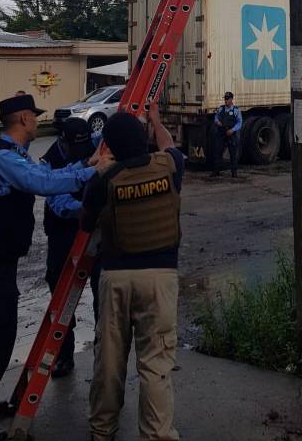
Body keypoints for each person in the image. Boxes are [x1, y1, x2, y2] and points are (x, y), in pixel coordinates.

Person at [0, 93, 104, 441]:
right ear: (22, 119)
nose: (37, 122)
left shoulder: (15, 155)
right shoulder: (4, 159)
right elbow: (43, 184)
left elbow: (44, 172)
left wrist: (87, 165)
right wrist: (91, 173)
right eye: (33, 117)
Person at [82, 104, 185, 441]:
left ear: (109, 146)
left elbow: (85, 224)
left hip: (116, 279)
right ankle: (156, 436)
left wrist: (97, 167)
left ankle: (102, 432)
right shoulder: (169, 166)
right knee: (155, 366)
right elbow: (168, 144)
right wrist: (155, 121)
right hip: (160, 278)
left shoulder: (104, 180)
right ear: (144, 139)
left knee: (109, 363)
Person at [40, 116, 102, 378]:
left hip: (93, 232)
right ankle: (64, 353)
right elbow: (60, 205)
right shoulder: (49, 162)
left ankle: (104, 350)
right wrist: (93, 211)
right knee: (62, 292)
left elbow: (109, 133)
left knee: (103, 290)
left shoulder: (92, 144)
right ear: (63, 141)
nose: (85, 151)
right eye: (78, 148)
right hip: (63, 234)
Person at [211, 91, 243, 178]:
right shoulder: (221, 109)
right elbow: (216, 117)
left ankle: (234, 172)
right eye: (225, 99)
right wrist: (217, 121)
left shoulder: (236, 110)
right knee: (218, 152)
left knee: (233, 153)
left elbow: (239, 123)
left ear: (231, 99)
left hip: (231, 134)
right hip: (221, 133)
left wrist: (232, 130)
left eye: (227, 99)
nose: (226, 101)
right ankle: (216, 171)